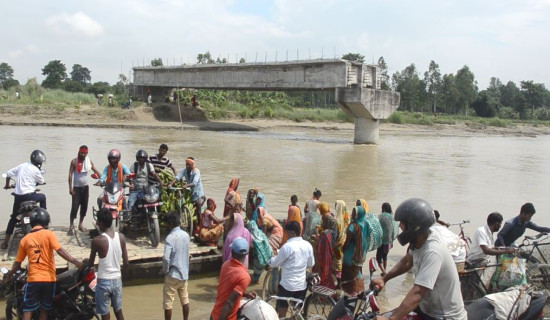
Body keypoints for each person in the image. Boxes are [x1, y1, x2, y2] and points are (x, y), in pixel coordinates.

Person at [371, 198, 467, 320]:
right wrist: (385, 279)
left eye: (402, 223)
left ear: (414, 225)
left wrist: (392, 319)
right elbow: (407, 261)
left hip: (444, 316)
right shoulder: (419, 240)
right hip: (426, 308)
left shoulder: (432, 251)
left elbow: (418, 292)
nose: (400, 226)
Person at [4, 208, 83, 320]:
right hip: (49, 280)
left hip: (33, 280)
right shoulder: (49, 234)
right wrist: (76, 262)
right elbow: (60, 251)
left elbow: (17, 263)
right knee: (44, 309)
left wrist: (9, 275)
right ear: (45, 221)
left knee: (28, 310)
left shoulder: (25, 240)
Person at [88, 208, 129, 320]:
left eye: (97, 222)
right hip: (117, 280)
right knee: (119, 312)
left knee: (105, 315)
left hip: (104, 282)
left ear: (101, 224)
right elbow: (126, 263)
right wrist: (120, 275)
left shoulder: (97, 240)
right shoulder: (121, 237)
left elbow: (90, 263)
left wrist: (85, 264)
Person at [268, 221, 315, 318]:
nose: (286, 234)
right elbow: (311, 264)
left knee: (282, 310)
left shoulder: (287, 247)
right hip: (301, 286)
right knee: (297, 312)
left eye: (287, 232)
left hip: (287, 286)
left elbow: (275, 263)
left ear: (292, 232)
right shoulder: (307, 245)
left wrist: (270, 260)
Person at [2, 150, 47, 249]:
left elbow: (8, 174)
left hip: (19, 198)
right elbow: (42, 181)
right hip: (31, 196)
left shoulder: (22, 166)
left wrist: (7, 185)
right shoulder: (36, 170)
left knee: (14, 217)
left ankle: (5, 242)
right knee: (43, 197)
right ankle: (44, 223)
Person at [211, 237, 257, 320]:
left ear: (232, 252)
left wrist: (245, 294)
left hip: (215, 313)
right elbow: (229, 302)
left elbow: (227, 289)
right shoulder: (244, 277)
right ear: (247, 254)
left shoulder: (225, 265)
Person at [162, 212, 190, 320]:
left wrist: (165, 270)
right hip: (184, 274)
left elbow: (166, 258)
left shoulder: (170, 237)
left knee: (168, 303)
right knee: (185, 300)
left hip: (172, 274)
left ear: (170, 224)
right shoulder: (186, 235)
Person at [68, 145, 101, 234]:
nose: (83, 154)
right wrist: (70, 188)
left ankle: (80, 224)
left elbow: (96, 171)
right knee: (74, 207)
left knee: (84, 206)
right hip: (76, 188)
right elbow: (70, 175)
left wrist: (102, 179)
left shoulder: (88, 162)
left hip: (85, 188)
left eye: (84, 153)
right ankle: (71, 226)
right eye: (81, 153)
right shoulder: (74, 162)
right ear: (79, 152)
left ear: (87, 153)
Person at [169, 157, 205, 229]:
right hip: (190, 192)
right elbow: (178, 177)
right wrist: (171, 184)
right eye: (186, 164)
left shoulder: (196, 171)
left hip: (198, 193)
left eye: (189, 165)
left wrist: (186, 185)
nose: (187, 166)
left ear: (192, 165)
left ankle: (201, 226)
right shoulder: (184, 171)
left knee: (198, 209)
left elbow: (194, 182)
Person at [341, 206, 369, 296]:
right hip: (361, 253)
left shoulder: (353, 226)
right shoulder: (365, 224)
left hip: (350, 253)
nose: (352, 215)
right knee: (357, 271)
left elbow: (347, 242)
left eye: (354, 213)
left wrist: (342, 249)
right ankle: (360, 289)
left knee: (349, 272)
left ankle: (352, 291)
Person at [316, 214, 339, 288]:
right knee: (328, 272)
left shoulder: (325, 234)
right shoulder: (334, 231)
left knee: (323, 273)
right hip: (330, 255)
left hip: (324, 257)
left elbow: (321, 247)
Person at [246, 220, 273, 285]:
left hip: (259, 257)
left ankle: (256, 280)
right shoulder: (261, 233)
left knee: (257, 267)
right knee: (260, 268)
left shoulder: (251, 237)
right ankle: (257, 279)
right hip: (267, 254)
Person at [376, 202, 398, 276]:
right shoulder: (392, 217)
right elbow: (394, 229)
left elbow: (377, 229)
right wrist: (391, 241)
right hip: (389, 241)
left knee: (378, 258)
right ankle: (384, 271)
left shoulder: (380, 217)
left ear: (383, 209)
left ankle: (383, 271)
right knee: (385, 256)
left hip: (381, 241)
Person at [333, 200, 349, 284]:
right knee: (341, 262)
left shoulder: (336, 220)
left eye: (336, 205)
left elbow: (335, 235)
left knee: (337, 263)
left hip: (338, 243)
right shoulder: (347, 218)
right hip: (345, 242)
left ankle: (339, 283)